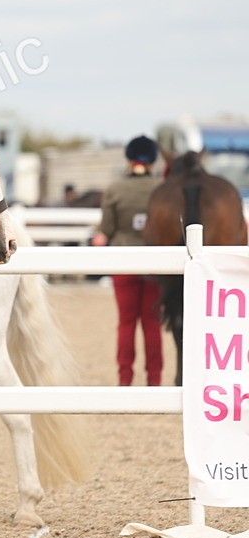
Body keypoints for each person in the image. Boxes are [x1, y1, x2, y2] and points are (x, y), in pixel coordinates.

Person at [91, 135, 163, 386]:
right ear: (152, 159)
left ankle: (125, 380)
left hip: (123, 261)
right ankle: (154, 380)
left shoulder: (116, 189)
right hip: (155, 263)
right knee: (152, 324)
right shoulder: (162, 189)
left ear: (129, 159)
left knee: (126, 323)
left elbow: (106, 231)